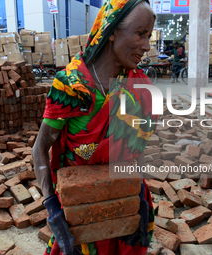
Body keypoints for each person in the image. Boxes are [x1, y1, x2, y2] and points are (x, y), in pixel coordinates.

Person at [32, 0, 157, 255]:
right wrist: (52, 205)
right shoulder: (72, 87)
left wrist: (139, 194)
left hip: (124, 200)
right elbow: (40, 148)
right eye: (140, 34)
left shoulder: (139, 86)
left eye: (149, 36)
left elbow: (135, 148)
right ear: (111, 32)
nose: (146, 46)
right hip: (81, 205)